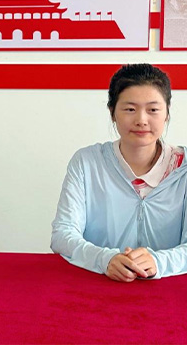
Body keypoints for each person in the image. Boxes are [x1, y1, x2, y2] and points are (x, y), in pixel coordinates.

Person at [51, 64, 187, 282]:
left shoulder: (183, 168)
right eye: (130, 109)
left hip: (170, 290)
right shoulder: (87, 162)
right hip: (97, 285)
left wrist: (158, 262)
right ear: (112, 112)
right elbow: (62, 234)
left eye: (153, 110)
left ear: (167, 113)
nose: (141, 120)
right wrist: (104, 259)